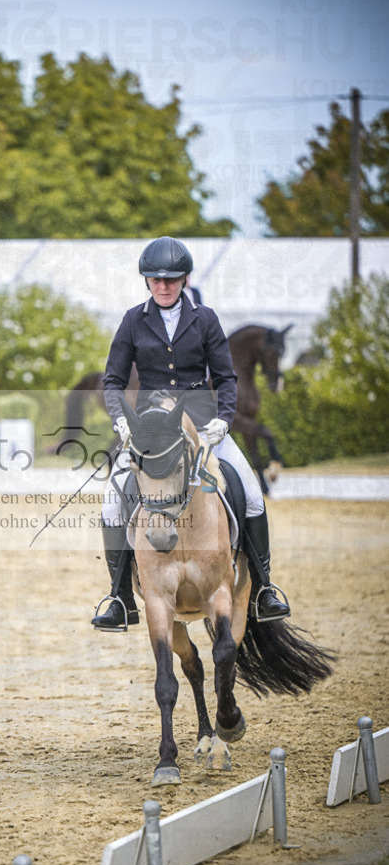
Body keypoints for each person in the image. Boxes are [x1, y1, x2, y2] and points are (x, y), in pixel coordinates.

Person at [91, 235, 290, 631]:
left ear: (184, 280)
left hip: (202, 425)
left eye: (171, 280)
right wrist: (120, 419)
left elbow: (226, 379)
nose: (163, 286)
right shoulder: (133, 320)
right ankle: (120, 597)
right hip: (150, 429)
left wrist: (224, 420)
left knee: (250, 494)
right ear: (147, 281)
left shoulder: (205, 319)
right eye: (155, 280)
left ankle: (265, 588)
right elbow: (113, 380)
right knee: (112, 502)